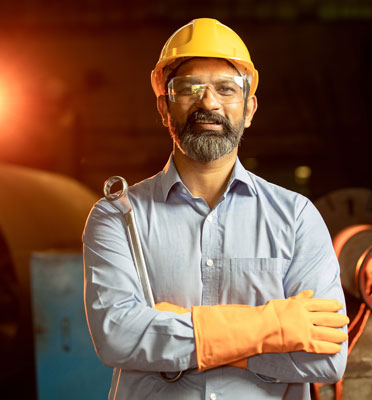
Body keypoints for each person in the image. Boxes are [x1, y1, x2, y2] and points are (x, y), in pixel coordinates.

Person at [83, 18, 349, 400]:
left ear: (250, 108)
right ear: (164, 107)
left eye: (226, 89)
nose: (208, 103)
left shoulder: (296, 218)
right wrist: (271, 328)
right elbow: (117, 337)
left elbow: (328, 359)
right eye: (189, 89)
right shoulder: (117, 217)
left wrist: (175, 336)